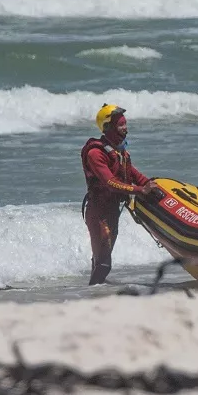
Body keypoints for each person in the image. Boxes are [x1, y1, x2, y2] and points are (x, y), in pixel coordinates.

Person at [81, 104, 157, 285]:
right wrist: (140, 190)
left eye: (125, 124)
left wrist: (151, 184)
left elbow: (133, 174)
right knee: (104, 263)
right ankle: (93, 295)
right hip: (99, 211)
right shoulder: (95, 153)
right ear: (108, 127)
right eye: (121, 125)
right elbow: (110, 182)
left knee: (101, 261)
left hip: (112, 210)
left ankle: (94, 292)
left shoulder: (119, 152)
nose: (125, 128)